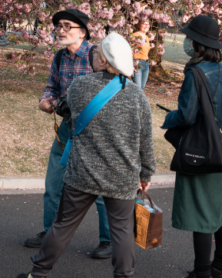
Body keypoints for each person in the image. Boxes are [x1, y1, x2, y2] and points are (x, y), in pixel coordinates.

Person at [18, 33, 155, 278]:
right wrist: (146, 174)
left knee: (62, 227)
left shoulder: (80, 86)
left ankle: (37, 274)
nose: (91, 54)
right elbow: (146, 141)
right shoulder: (137, 96)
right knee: (122, 231)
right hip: (122, 175)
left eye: (96, 52)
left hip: (82, 172)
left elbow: (67, 113)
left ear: (103, 61)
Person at [26, 9, 112, 259]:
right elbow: (51, 87)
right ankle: (49, 233)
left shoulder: (98, 56)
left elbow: (114, 90)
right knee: (53, 185)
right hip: (66, 129)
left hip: (94, 131)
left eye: (67, 26)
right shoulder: (59, 57)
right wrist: (46, 100)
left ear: (83, 32)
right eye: (57, 26)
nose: (60, 30)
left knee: (96, 190)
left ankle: (107, 240)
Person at [162, 16, 222, 278]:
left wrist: (167, 118)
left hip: (201, 148)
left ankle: (202, 271)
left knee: (201, 211)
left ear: (197, 43)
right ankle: (221, 266)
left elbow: (186, 115)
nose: (186, 41)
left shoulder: (195, 72)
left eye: (189, 37)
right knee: (217, 208)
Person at [131, 20, 151, 89]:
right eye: (144, 24)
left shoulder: (147, 38)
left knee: (142, 89)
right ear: (139, 25)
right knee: (137, 88)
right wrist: (132, 65)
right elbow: (130, 50)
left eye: (148, 24)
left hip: (146, 64)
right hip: (137, 63)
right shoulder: (135, 35)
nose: (146, 26)